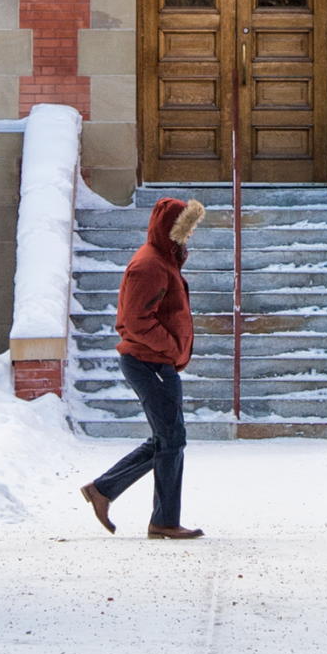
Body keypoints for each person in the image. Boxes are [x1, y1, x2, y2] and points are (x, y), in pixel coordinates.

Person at [82, 196, 206, 539]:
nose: (190, 236)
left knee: (168, 439)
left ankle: (104, 491)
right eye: (186, 228)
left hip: (156, 362)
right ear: (170, 229)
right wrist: (171, 347)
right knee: (172, 439)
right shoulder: (149, 265)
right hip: (148, 361)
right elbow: (135, 321)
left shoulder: (163, 261)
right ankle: (162, 521)